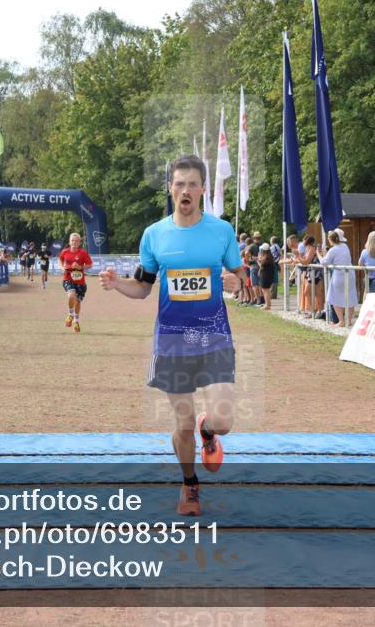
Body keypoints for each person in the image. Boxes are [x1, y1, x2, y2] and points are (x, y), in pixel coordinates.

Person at [99, 154, 243, 517]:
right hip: (172, 344)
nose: (186, 190)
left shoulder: (221, 231)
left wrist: (238, 282)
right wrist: (118, 286)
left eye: (193, 184)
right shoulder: (154, 235)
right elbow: (143, 288)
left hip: (214, 339)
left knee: (223, 421)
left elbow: (243, 277)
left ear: (203, 190)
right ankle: (190, 484)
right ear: (169, 189)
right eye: (179, 184)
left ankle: (207, 432)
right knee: (181, 425)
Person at [321, 229, 358, 326]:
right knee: (350, 295)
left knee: (334, 296)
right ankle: (349, 320)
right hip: (350, 273)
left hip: (339, 274)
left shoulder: (333, 250)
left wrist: (319, 255)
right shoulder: (345, 247)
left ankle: (341, 320)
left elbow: (324, 262)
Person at [58, 232, 94, 333]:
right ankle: (70, 315)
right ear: (70, 242)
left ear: (79, 243)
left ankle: (76, 321)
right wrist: (61, 268)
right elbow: (60, 259)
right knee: (71, 295)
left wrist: (80, 267)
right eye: (72, 240)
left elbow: (90, 265)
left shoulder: (83, 253)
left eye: (76, 241)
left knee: (77, 302)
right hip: (67, 278)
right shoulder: (65, 252)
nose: (74, 242)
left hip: (80, 281)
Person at [296, 235, 325, 317]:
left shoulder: (311, 249)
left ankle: (316, 311)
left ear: (307, 241)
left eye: (303, 239)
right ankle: (317, 311)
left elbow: (306, 261)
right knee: (316, 292)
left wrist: (298, 256)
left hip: (314, 272)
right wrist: (297, 259)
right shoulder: (308, 249)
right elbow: (304, 261)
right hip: (311, 272)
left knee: (309, 292)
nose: (302, 241)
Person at [256, 244, 277, 310]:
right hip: (267, 274)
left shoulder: (266, 257)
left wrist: (258, 261)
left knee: (265, 290)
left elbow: (261, 265)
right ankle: (268, 303)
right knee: (265, 290)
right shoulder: (268, 256)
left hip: (266, 275)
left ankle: (267, 305)